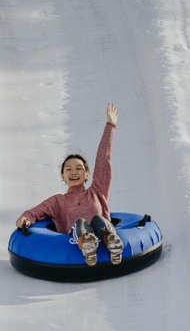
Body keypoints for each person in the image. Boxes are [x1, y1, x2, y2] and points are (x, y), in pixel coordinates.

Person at [16, 103, 124, 266]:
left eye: (79, 168)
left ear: (86, 174)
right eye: (69, 169)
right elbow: (35, 212)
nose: (74, 172)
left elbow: (103, 159)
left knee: (97, 219)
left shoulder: (97, 191)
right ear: (63, 176)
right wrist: (25, 219)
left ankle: (111, 241)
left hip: (101, 230)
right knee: (80, 223)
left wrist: (110, 125)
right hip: (75, 240)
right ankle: (87, 244)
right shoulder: (57, 201)